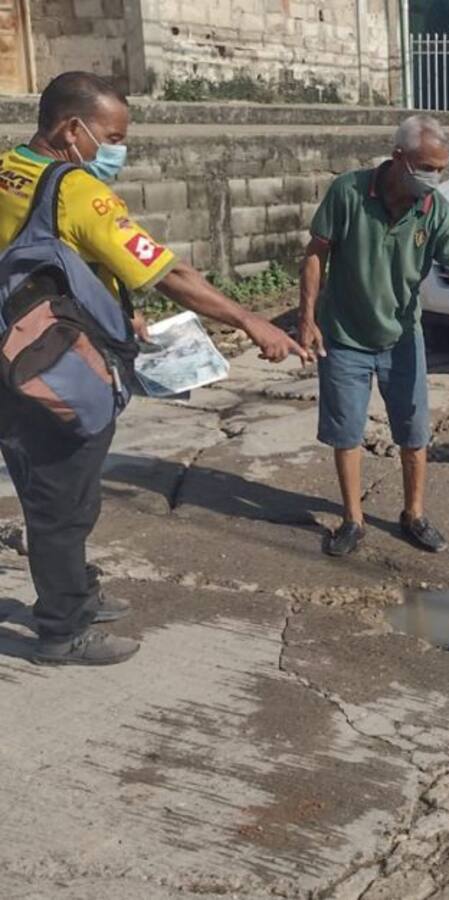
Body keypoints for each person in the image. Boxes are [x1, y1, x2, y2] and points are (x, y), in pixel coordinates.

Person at [0, 72, 310, 666]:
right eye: (112, 137)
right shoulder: (79, 193)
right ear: (72, 129)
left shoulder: (9, 169)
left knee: (47, 491)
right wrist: (253, 321)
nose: (118, 150)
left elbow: (46, 265)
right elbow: (169, 273)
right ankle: (64, 630)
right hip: (56, 369)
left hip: (12, 357)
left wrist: (113, 308)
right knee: (64, 504)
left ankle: (76, 592)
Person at [297, 115, 449, 559]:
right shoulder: (349, 192)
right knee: (346, 434)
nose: (435, 178)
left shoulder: (436, 211)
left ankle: (413, 514)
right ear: (399, 159)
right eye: (427, 168)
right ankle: (353, 520)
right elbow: (316, 255)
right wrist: (307, 319)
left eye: (441, 169)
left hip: (401, 337)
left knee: (414, 434)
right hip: (344, 335)